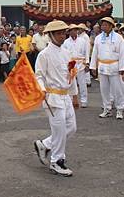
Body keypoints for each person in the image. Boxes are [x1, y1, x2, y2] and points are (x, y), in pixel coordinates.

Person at [33, 20, 77, 177]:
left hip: (65, 96)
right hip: (52, 97)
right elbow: (38, 75)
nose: (61, 35)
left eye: (63, 32)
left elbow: (71, 75)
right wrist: (42, 90)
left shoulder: (66, 53)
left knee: (71, 128)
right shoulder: (44, 55)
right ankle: (57, 162)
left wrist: (74, 94)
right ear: (50, 35)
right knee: (59, 130)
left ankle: (44, 144)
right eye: (58, 33)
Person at [89, 17, 124, 120]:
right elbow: (94, 53)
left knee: (117, 89)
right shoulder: (98, 38)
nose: (103, 27)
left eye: (106, 25)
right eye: (102, 25)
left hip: (115, 67)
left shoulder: (118, 38)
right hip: (102, 67)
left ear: (111, 26)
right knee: (104, 89)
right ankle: (107, 109)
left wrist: (123, 68)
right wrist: (93, 66)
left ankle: (119, 109)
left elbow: (123, 53)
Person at [62, 24, 90, 108]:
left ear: (77, 31)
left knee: (82, 83)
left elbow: (86, 52)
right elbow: (64, 54)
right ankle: (70, 100)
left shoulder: (83, 41)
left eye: (75, 30)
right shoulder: (66, 42)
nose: (73, 32)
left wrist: (87, 63)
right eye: (71, 30)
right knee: (70, 83)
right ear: (69, 32)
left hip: (81, 63)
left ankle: (84, 101)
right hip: (71, 64)